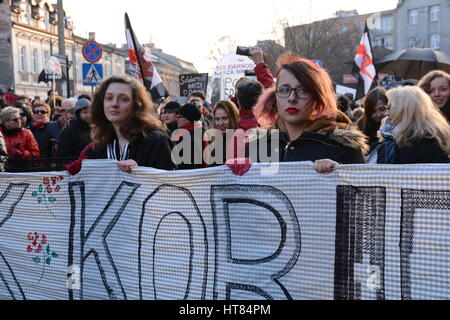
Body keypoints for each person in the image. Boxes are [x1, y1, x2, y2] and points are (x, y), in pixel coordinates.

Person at [248, 57, 367, 173]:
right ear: (275, 97)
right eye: (284, 89)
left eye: (303, 90)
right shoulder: (258, 146)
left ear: (318, 98)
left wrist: (341, 174)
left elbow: (365, 190)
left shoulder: (342, 149)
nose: (292, 98)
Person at [66, 75, 176, 174]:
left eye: (124, 99)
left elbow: (171, 189)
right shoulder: (99, 146)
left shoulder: (156, 141)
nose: (114, 104)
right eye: (109, 98)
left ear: (136, 105)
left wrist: (141, 173)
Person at [376, 86, 450, 164]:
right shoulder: (390, 136)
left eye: (389, 107)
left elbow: (435, 173)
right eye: (386, 107)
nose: (386, 113)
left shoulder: (428, 140)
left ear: (406, 109)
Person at [172, 103, 206, 170]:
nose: (177, 119)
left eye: (179, 117)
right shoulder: (198, 132)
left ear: (187, 119)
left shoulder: (188, 139)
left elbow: (187, 168)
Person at [207, 99, 240, 166]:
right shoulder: (213, 140)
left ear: (233, 118)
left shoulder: (240, 139)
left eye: (225, 118)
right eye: (217, 119)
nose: (220, 123)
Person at [356, 87, 389, 152]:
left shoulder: (398, 127)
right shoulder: (358, 130)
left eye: (382, 109)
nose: (378, 114)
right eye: (373, 111)